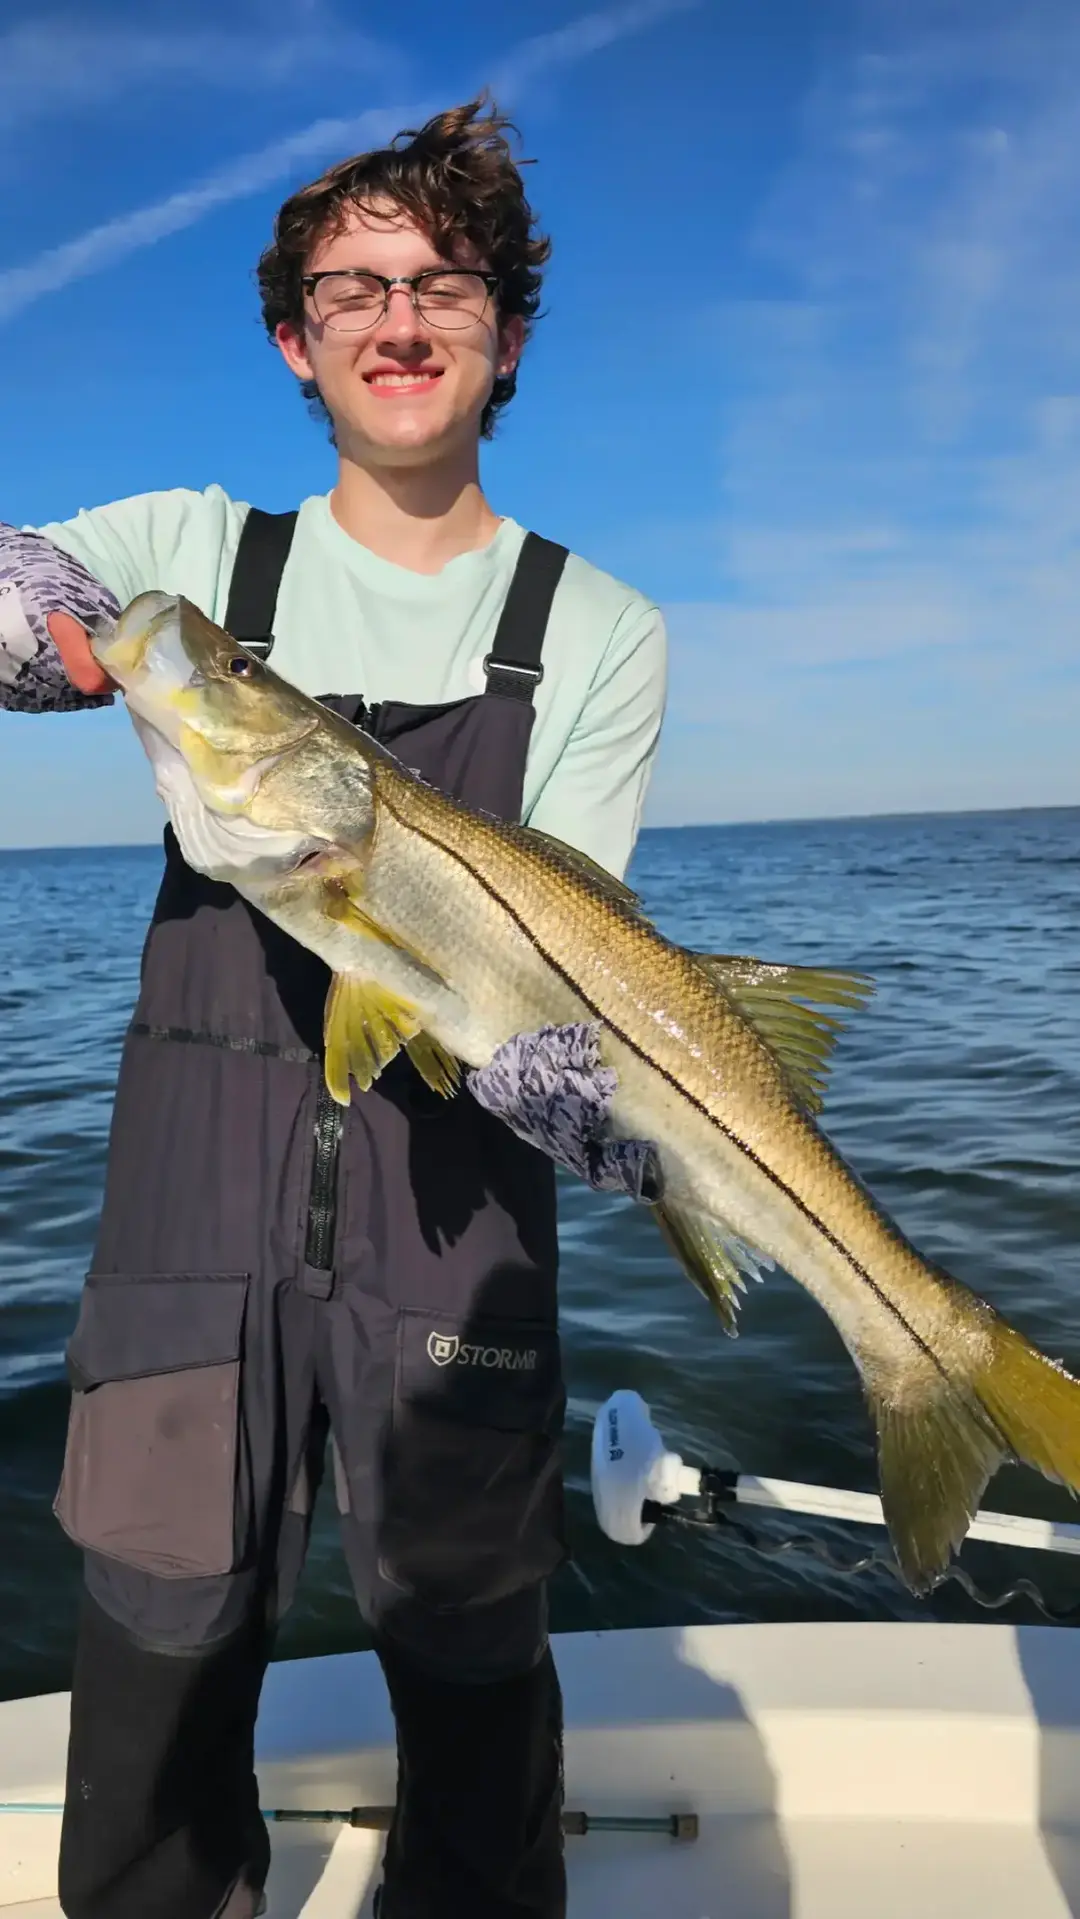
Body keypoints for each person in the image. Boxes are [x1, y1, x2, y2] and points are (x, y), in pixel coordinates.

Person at [1, 99, 667, 1919]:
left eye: (441, 284)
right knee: (151, 1666)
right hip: (178, 1235)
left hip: (455, 1230)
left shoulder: (595, 624)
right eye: (350, 287)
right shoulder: (199, 556)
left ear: (506, 332)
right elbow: (27, 605)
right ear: (296, 336)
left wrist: (585, 1093)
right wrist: (18, 610)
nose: (397, 318)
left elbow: (571, 953)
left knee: (471, 1676)